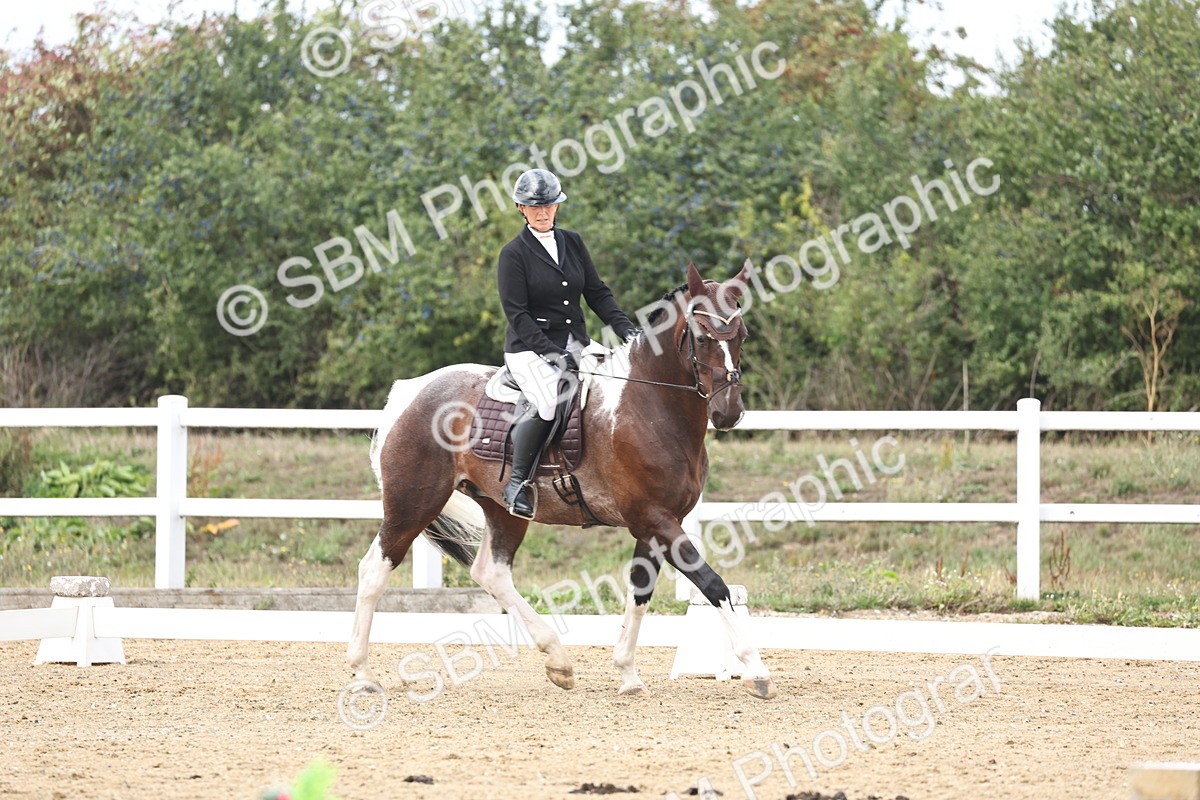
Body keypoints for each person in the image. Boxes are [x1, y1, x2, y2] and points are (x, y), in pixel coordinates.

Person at [496, 168, 638, 519]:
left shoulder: (572, 242)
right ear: (521, 208)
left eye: (549, 206)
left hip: (577, 343)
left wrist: (630, 332)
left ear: (557, 207)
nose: (543, 213)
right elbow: (518, 315)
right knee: (548, 403)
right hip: (529, 349)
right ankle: (517, 483)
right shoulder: (513, 254)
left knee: (619, 387)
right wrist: (552, 354)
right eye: (534, 207)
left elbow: (597, 293)